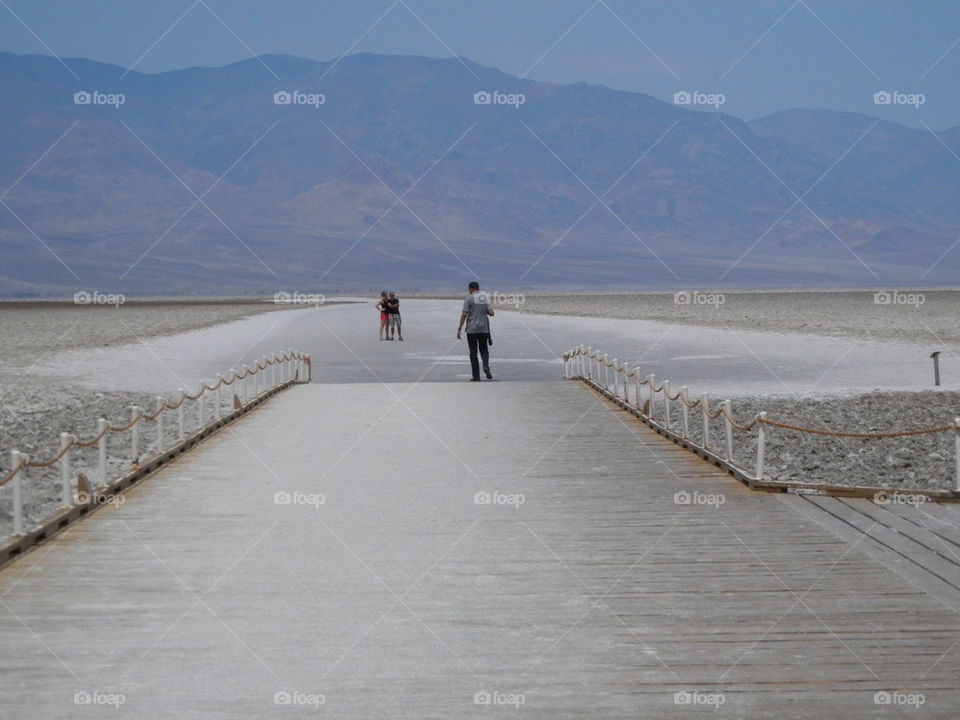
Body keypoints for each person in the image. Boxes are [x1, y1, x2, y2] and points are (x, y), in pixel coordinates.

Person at [457, 281, 494, 381]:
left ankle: (476, 376)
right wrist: (483, 312)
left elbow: (464, 314)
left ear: (471, 288)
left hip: (471, 330)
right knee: (484, 350)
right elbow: (492, 313)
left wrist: (459, 328)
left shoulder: (468, 299)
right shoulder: (485, 298)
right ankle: (486, 366)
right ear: (478, 288)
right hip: (483, 329)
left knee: (473, 353)